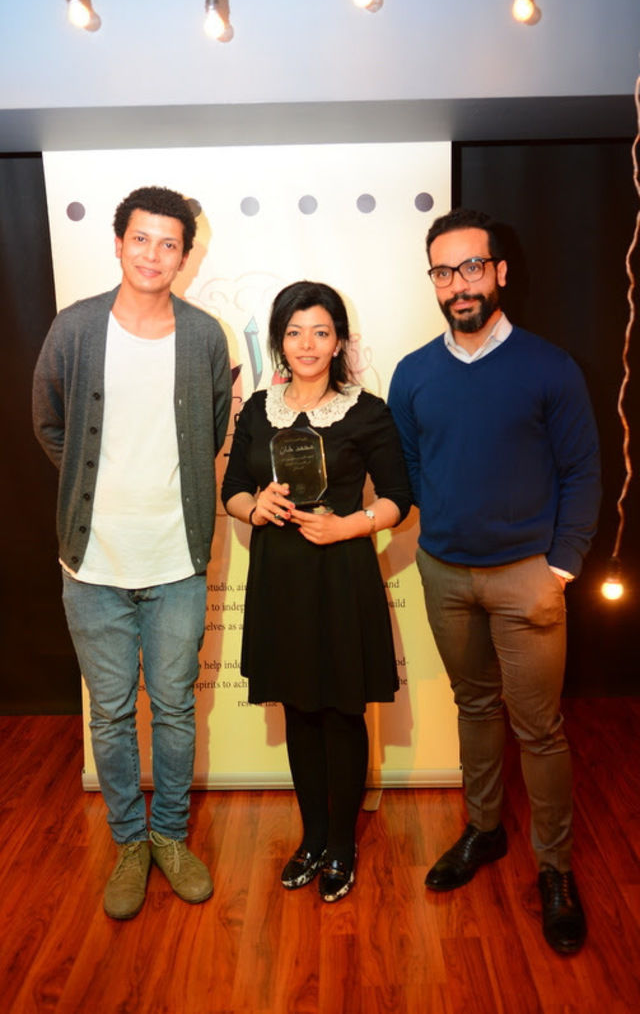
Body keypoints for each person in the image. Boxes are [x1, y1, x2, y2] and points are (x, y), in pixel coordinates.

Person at [388, 207, 600, 955]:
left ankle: (555, 868)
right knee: (474, 707)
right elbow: (411, 468)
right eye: (444, 272)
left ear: (500, 272)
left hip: (526, 579)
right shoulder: (413, 373)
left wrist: (561, 566)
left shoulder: (550, 367)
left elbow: (582, 471)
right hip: (443, 573)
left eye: (472, 267)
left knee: (538, 729)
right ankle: (484, 830)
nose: (460, 284)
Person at [32, 186, 231, 920]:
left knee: (174, 710)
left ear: (185, 256)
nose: (153, 254)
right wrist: (94, 489)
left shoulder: (205, 336)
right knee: (111, 714)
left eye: (168, 243)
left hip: (177, 561)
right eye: (140, 239)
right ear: (118, 244)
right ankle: (128, 843)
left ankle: (169, 837)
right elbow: (48, 420)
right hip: (93, 565)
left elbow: (214, 428)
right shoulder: (75, 328)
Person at [222, 280, 411, 902]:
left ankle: (342, 845)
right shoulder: (258, 409)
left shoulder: (366, 411)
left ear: (338, 342)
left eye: (320, 332)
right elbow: (232, 491)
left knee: (341, 711)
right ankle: (313, 838)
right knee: (299, 710)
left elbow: (398, 498)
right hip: (279, 578)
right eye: (295, 332)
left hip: (341, 576)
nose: (307, 344)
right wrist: (256, 507)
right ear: (280, 341)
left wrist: (348, 526)